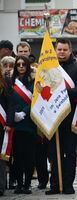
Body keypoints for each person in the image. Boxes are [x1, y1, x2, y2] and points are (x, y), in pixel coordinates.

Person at [45, 38, 77, 195]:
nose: (61, 52)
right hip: (53, 116)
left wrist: (61, 93)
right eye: (59, 49)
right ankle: (55, 184)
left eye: (64, 49)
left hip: (71, 116)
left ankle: (68, 184)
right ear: (55, 50)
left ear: (70, 51)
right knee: (53, 153)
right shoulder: (49, 67)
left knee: (69, 153)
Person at [11, 56, 36, 194]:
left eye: (23, 64)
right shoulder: (11, 82)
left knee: (29, 156)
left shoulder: (32, 82)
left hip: (29, 124)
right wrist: (13, 114)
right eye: (18, 64)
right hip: (15, 125)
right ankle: (19, 184)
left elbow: (34, 100)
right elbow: (8, 100)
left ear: (27, 66)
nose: (21, 66)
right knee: (18, 157)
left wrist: (24, 113)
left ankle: (27, 184)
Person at [0, 61, 14, 197]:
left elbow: (11, 103)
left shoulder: (5, 81)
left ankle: (0, 186)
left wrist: (9, 122)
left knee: (1, 157)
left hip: (1, 124)